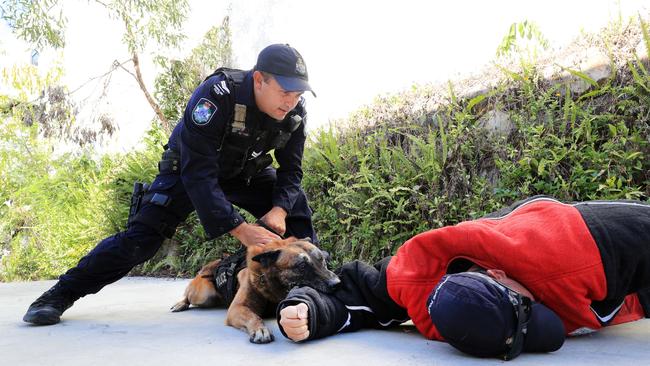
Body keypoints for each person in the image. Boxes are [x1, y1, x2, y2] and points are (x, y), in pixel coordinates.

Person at [23, 43, 318, 326]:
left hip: (243, 173)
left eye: (297, 94)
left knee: (295, 208)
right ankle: (61, 294)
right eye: (284, 92)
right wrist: (241, 229)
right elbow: (198, 173)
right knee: (140, 241)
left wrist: (279, 209)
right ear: (259, 80)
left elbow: (291, 170)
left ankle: (309, 295)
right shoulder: (217, 95)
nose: (290, 101)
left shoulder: (294, 113)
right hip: (187, 171)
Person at [277, 196, 650, 360]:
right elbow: (356, 290)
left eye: (522, 309)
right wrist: (309, 310)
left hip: (564, 232)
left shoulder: (586, 249)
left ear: (498, 276)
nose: (535, 313)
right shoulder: (415, 282)